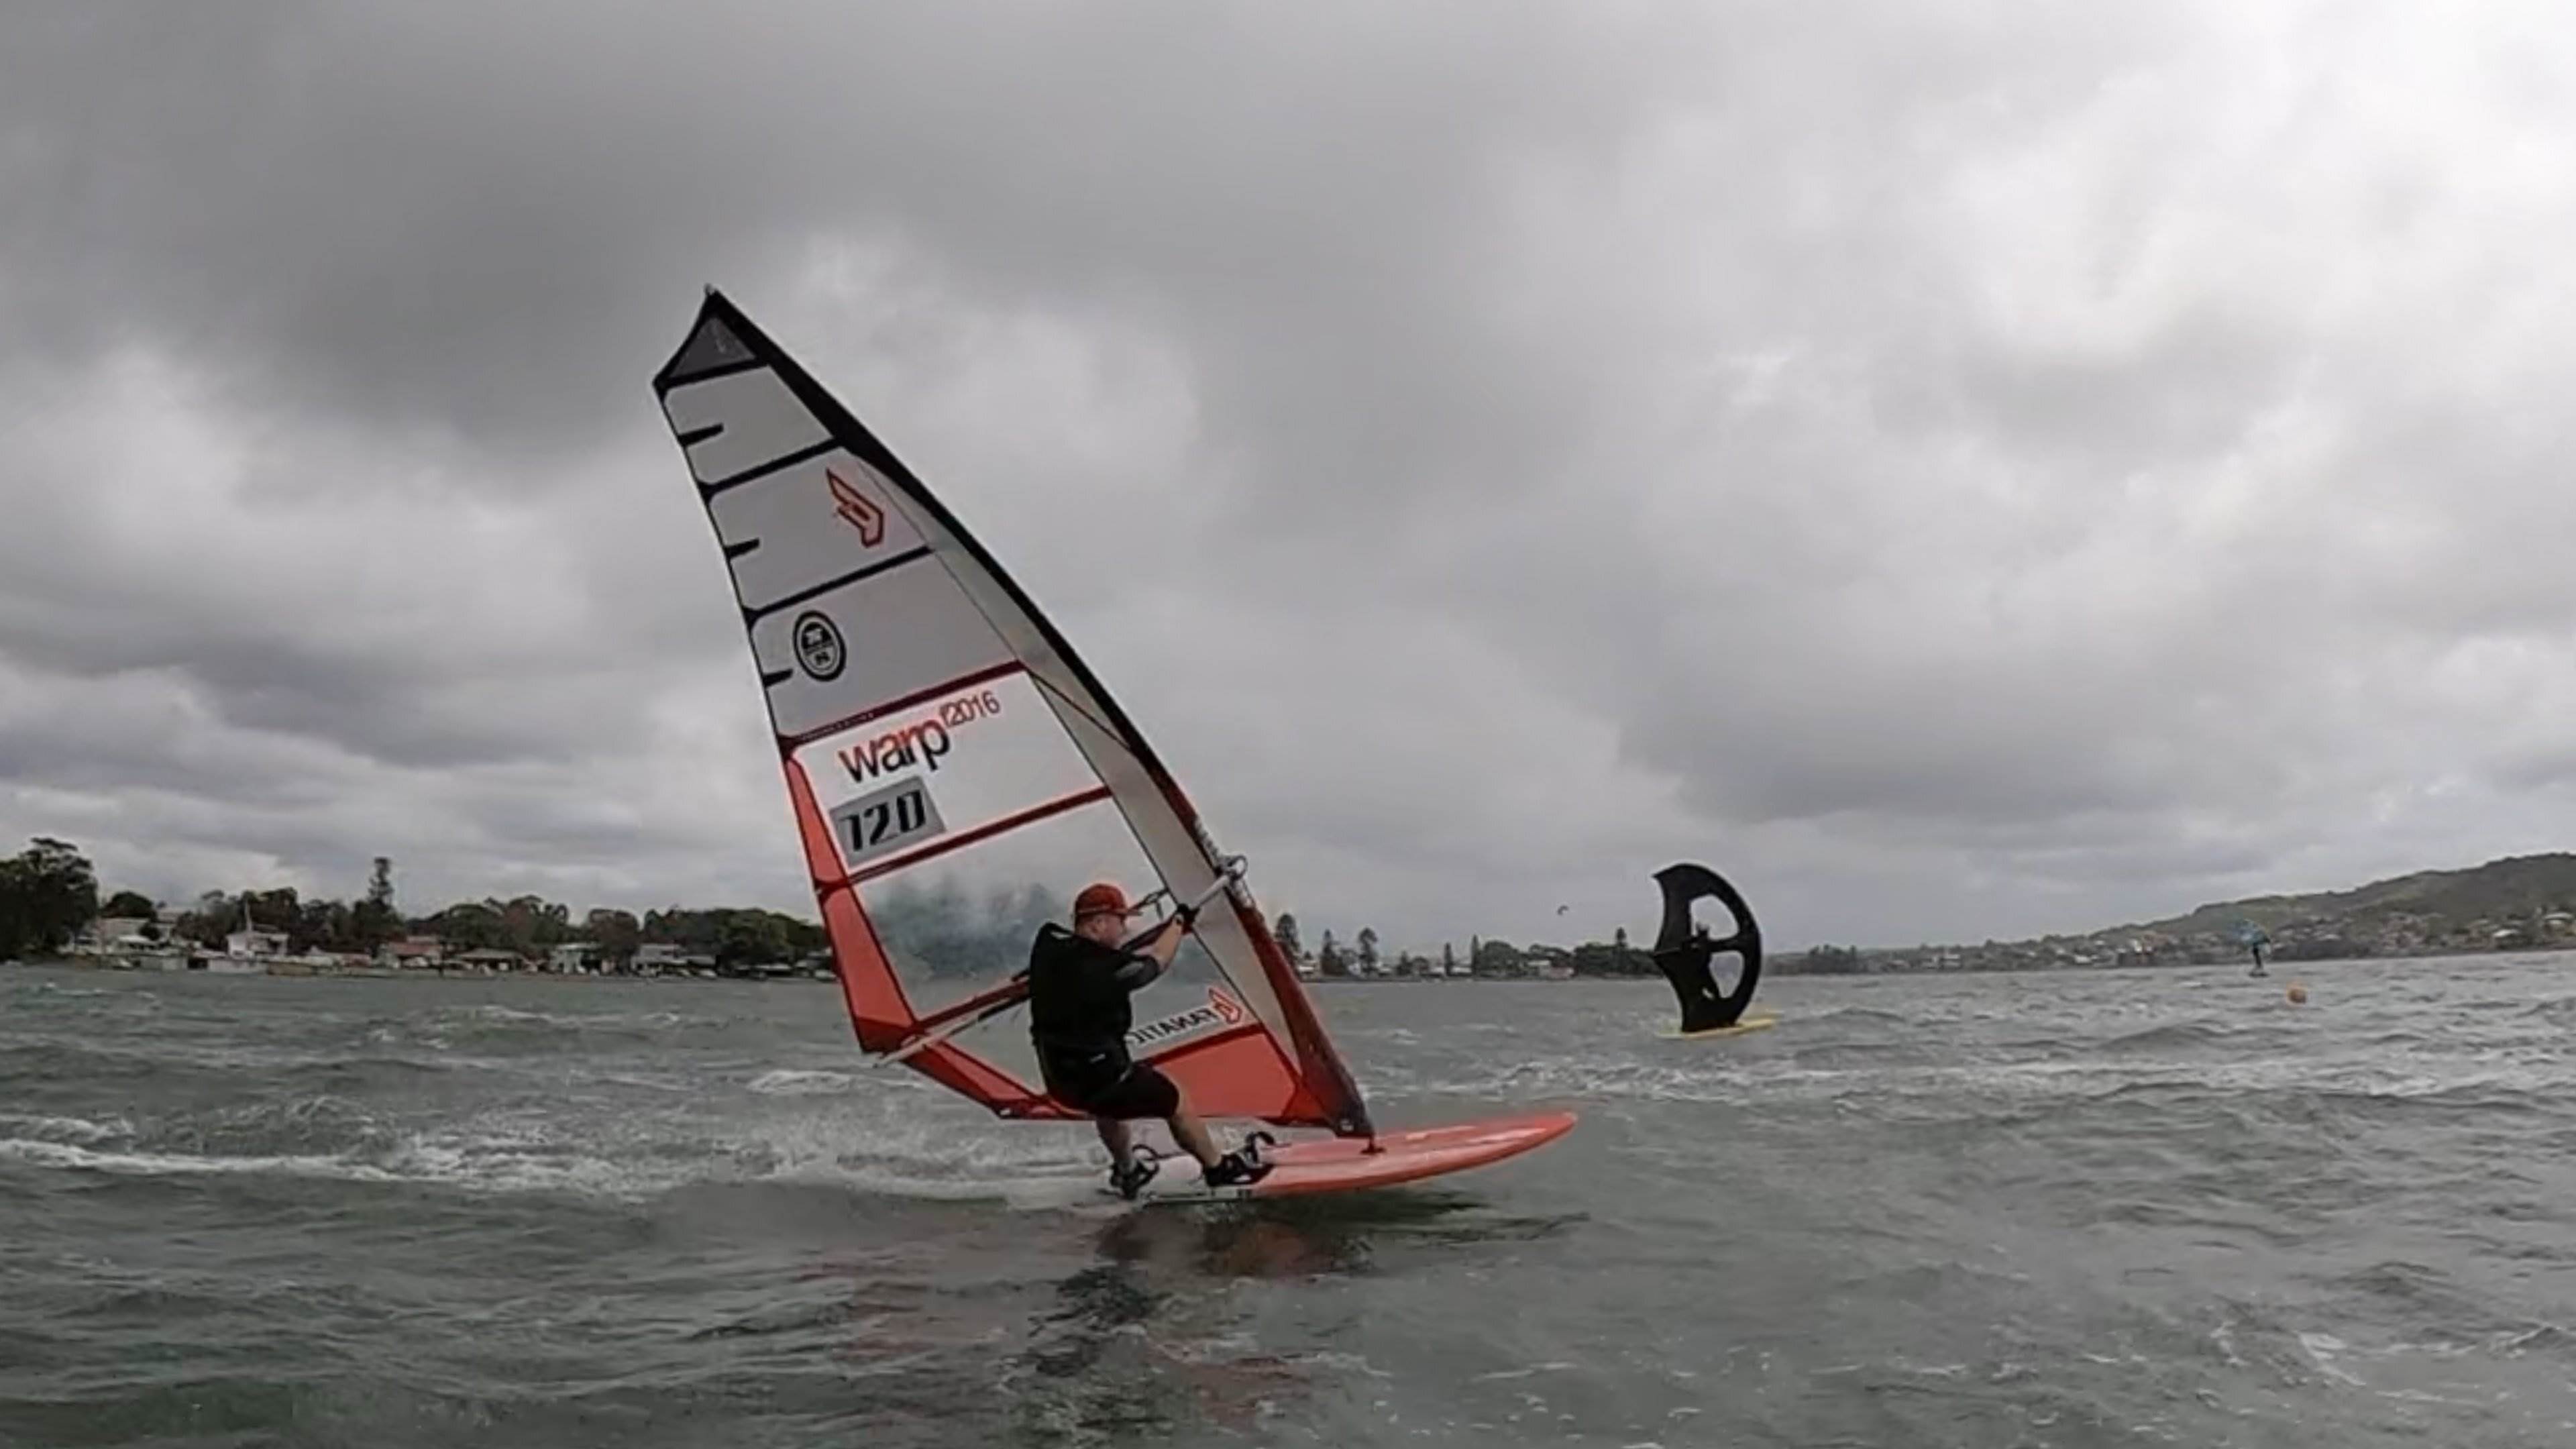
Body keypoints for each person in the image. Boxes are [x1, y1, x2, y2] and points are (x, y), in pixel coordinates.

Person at [1028, 881, 1271, 1198]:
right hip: (1103, 1077)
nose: (1125, 931)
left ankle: (1128, 1171)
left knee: (1106, 1107)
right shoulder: (1102, 968)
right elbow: (1152, 965)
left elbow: (1112, 959)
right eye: (1120, 922)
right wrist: (1179, 923)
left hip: (1061, 1082)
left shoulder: (1049, 946)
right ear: (1099, 923)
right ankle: (1218, 1169)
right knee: (1176, 1099)